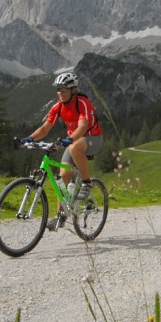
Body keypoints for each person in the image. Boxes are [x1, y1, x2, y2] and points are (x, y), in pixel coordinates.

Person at [23, 72, 103, 231]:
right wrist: (29, 139)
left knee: (73, 147)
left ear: (73, 90)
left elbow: (83, 126)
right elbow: (45, 128)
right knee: (63, 177)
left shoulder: (82, 102)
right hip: (74, 141)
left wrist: (69, 140)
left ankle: (87, 182)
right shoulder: (58, 106)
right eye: (58, 89)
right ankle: (60, 215)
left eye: (64, 90)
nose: (60, 92)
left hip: (92, 139)